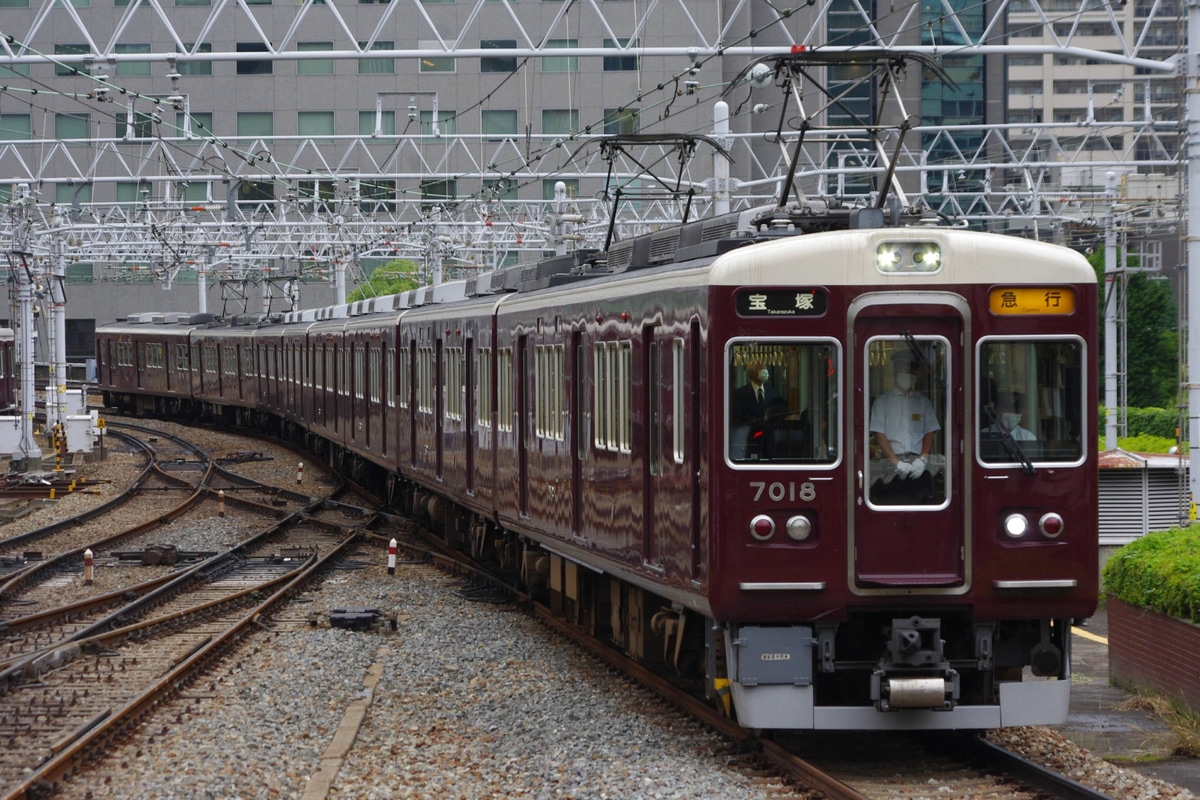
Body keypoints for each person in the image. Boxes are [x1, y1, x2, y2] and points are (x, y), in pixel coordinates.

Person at [869, 351, 941, 504]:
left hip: (918, 467)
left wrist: (922, 459)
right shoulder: (883, 402)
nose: (906, 375)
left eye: (909, 372)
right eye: (902, 371)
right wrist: (896, 462)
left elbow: (930, 431)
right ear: (895, 374)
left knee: (923, 513)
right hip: (890, 469)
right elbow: (878, 433)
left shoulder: (923, 402)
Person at [731, 361, 771, 427]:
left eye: (765, 368)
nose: (765, 371)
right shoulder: (740, 393)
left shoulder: (770, 391)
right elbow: (737, 418)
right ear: (752, 373)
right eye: (761, 368)